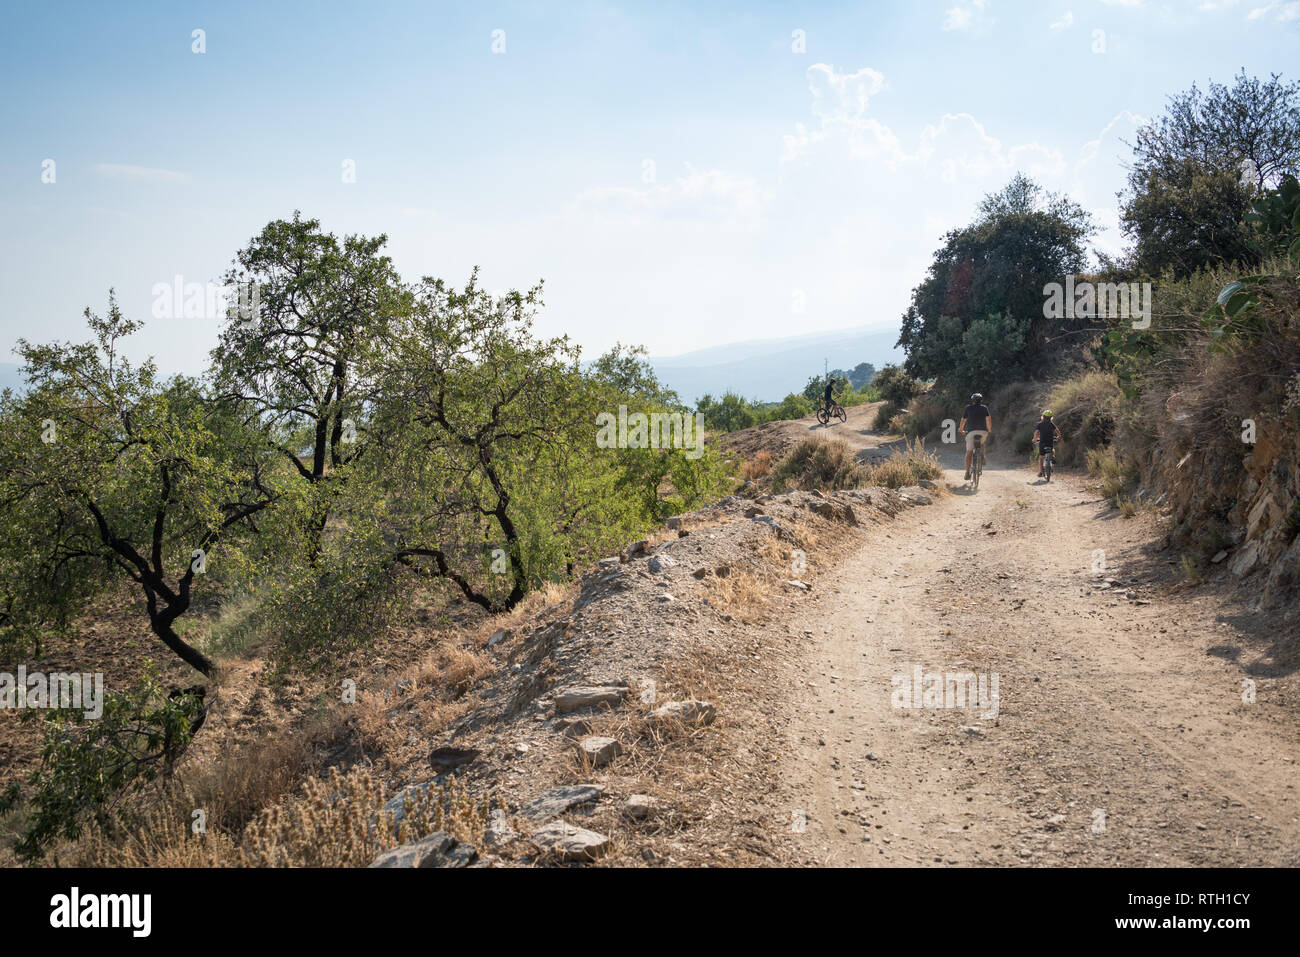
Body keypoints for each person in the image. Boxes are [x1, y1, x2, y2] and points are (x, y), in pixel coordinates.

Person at [960, 392, 992, 481]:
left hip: (971, 432)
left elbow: (963, 420)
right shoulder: (984, 408)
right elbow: (988, 419)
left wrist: (961, 430)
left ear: (972, 400)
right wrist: (989, 429)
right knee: (982, 442)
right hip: (983, 432)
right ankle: (982, 455)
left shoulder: (968, 408)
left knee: (969, 452)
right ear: (981, 400)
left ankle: (967, 472)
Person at [1033, 410, 1061, 478]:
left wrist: (1035, 439)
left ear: (1043, 417)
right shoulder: (1051, 424)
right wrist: (1059, 436)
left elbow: (1036, 433)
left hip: (1042, 442)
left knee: (1041, 458)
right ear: (1051, 418)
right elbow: (1057, 430)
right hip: (1050, 442)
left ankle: (1040, 472)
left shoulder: (1040, 424)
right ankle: (1053, 457)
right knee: (1052, 450)